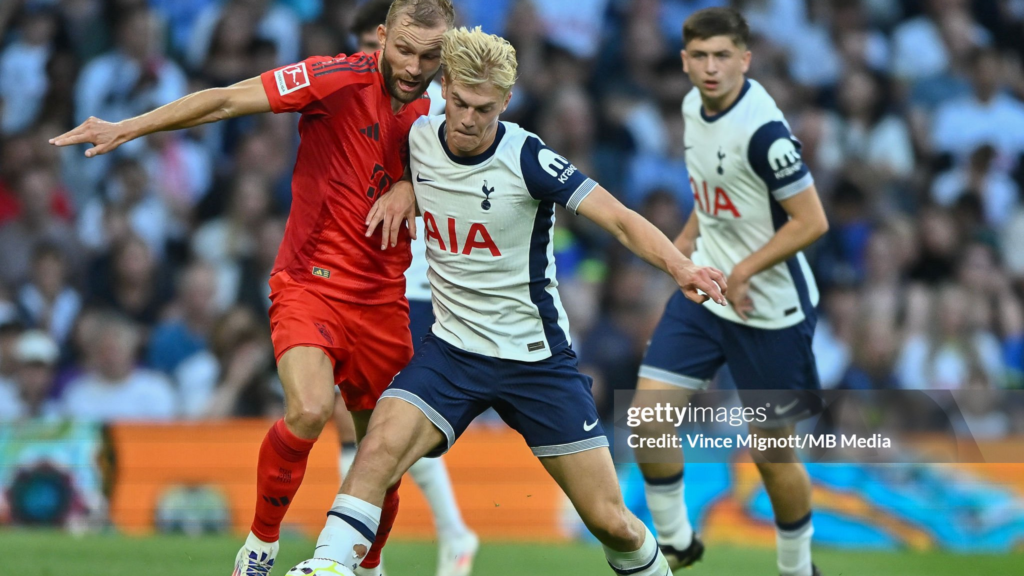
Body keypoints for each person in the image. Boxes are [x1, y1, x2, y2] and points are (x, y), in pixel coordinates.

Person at [51, 1, 456, 574]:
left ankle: (369, 566)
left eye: (430, 56)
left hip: (383, 299)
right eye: (405, 50)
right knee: (311, 410)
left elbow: (476, 170)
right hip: (309, 283)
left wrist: (414, 187)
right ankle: (261, 544)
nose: (415, 67)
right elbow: (224, 99)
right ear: (382, 37)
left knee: (380, 453)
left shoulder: (449, 109)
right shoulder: (333, 77)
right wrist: (130, 127)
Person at [311, 26, 727, 576]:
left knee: (611, 522)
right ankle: (324, 566)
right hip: (452, 351)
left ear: (505, 102)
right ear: (445, 87)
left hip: (536, 361)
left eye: (483, 109)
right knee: (377, 447)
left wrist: (680, 266)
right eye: (458, 102)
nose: (467, 118)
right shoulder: (416, 138)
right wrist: (405, 182)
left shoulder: (527, 158)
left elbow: (620, 220)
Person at [629, 8, 829, 576]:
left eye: (723, 56)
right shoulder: (694, 107)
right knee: (646, 421)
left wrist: (742, 272)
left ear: (745, 59)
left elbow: (811, 221)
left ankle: (797, 569)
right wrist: (687, 242)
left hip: (771, 310)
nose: (711, 67)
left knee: (772, 454)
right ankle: (676, 542)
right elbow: (716, 194)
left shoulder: (765, 133)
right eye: (700, 56)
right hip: (710, 290)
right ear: (684, 60)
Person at [331, 3, 480, 574]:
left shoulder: (440, 102)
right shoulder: (365, 92)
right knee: (361, 421)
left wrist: (408, 188)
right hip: (368, 275)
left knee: (386, 422)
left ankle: (442, 536)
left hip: (414, 282)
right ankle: (409, 545)